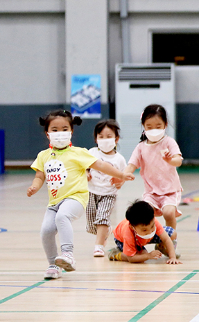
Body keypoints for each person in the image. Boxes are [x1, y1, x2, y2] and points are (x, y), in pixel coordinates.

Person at [28, 110, 134, 279]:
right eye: (54, 130)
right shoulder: (43, 156)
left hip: (75, 198)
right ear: (47, 134)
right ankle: (53, 265)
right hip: (54, 202)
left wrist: (120, 175)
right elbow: (40, 176)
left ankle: (68, 254)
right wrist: (35, 186)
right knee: (46, 231)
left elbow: (101, 165)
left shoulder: (78, 153)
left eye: (64, 129)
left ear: (71, 131)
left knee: (62, 217)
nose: (59, 133)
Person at [124, 104, 183, 230]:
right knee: (144, 213)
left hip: (170, 191)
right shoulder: (141, 147)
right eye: (149, 127)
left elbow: (178, 161)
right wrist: (122, 176)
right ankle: (147, 237)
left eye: (158, 126)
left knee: (168, 213)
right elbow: (131, 165)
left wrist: (170, 160)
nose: (154, 130)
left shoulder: (169, 142)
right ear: (143, 126)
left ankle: (171, 240)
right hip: (151, 192)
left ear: (165, 125)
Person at [86, 119, 127, 257]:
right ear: (96, 139)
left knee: (102, 218)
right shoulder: (91, 153)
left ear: (116, 139)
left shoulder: (119, 159)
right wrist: (86, 173)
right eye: (101, 136)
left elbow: (122, 178)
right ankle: (106, 230)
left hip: (109, 193)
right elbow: (84, 168)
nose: (104, 140)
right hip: (91, 192)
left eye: (108, 136)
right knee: (92, 224)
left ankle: (98, 247)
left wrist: (119, 182)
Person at [107, 200, 181, 264]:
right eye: (144, 230)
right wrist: (148, 256)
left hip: (142, 237)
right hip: (123, 240)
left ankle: (160, 247)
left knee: (172, 233)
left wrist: (172, 257)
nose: (150, 231)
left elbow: (166, 239)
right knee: (141, 256)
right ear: (132, 227)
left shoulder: (152, 221)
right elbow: (131, 259)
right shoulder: (128, 234)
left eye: (152, 226)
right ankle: (116, 254)